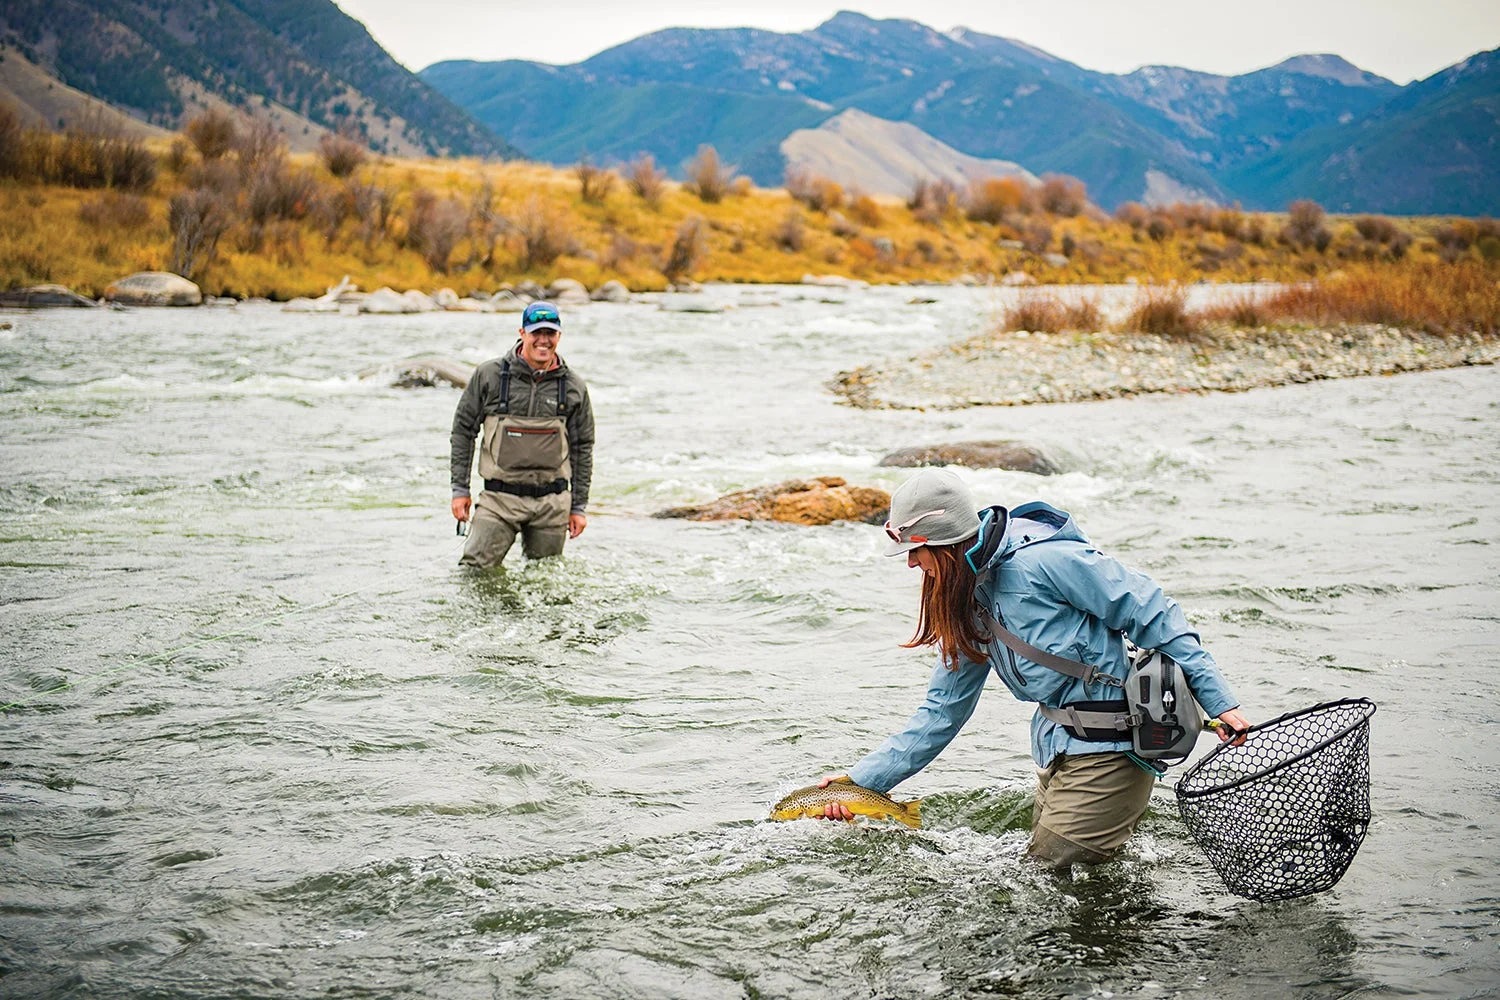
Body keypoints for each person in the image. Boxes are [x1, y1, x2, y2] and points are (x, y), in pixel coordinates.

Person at [816, 468, 1249, 868]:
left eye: (916, 551)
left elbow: (1154, 613)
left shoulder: (1048, 561)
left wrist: (1219, 700)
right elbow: (943, 711)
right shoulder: (964, 599)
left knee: (1048, 880)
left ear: (946, 543)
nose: (912, 564)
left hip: (1116, 746)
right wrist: (863, 783)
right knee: (1055, 878)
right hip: (1056, 751)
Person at [449, 301, 595, 568]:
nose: (543, 340)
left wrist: (578, 507)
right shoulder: (489, 376)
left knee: (544, 583)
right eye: (536, 332)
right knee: (474, 574)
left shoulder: (574, 386)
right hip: (498, 499)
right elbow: (463, 431)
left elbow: (583, 447)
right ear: (522, 333)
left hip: (553, 503)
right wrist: (460, 489)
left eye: (550, 333)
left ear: (559, 336)